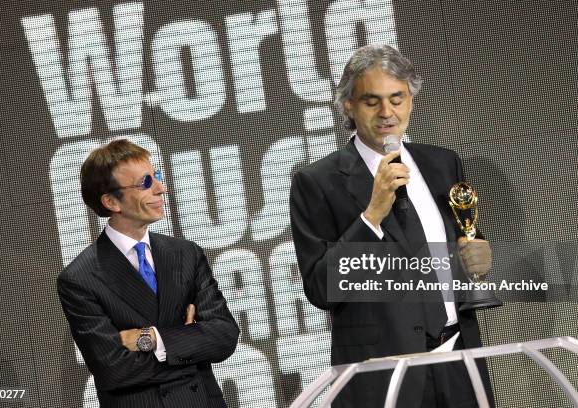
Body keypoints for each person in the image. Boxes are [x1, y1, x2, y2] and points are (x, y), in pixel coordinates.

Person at [290, 44, 495, 407]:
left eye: (397, 99)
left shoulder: (442, 164)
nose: (387, 112)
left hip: (459, 359)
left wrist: (480, 256)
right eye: (372, 101)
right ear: (348, 106)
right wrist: (371, 216)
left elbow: (467, 239)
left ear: (411, 101)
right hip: (384, 375)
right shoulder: (317, 182)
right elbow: (321, 289)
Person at [57, 139, 239, 407]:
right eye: (145, 183)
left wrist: (150, 338)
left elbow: (224, 336)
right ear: (111, 201)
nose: (161, 188)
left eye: (158, 176)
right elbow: (114, 370)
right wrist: (188, 343)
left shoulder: (186, 254)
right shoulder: (80, 279)